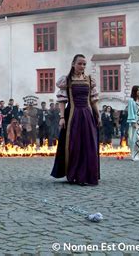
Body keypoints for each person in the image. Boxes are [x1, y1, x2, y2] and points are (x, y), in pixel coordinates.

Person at [51, 54, 100, 186]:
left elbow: (93, 100)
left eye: (84, 64)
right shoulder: (66, 80)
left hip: (87, 114)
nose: (82, 66)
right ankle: (75, 174)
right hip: (73, 114)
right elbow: (62, 101)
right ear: (73, 64)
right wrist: (62, 117)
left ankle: (88, 174)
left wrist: (97, 115)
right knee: (74, 144)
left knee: (88, 144)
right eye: (80, 63)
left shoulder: (89, 80)